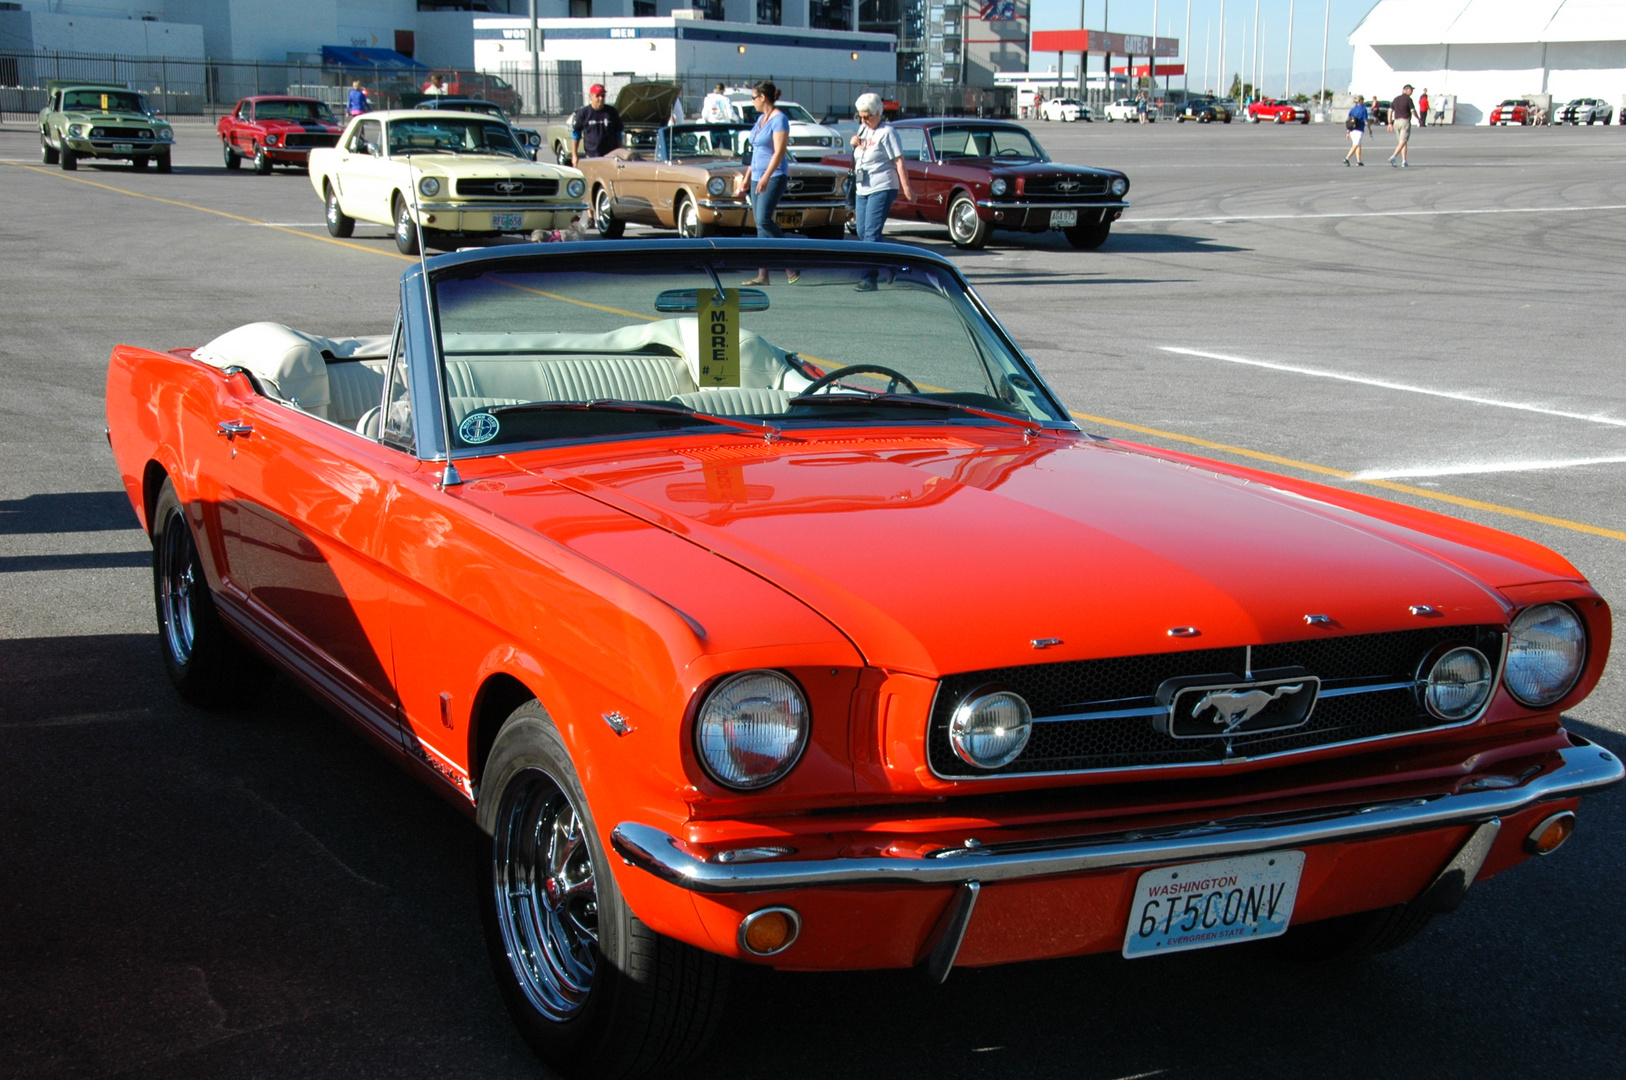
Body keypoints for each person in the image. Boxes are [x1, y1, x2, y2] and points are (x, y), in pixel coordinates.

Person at [848, 92, 914, 291]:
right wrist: (854, 144)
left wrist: (906, 188)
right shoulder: (863, 129)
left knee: (871, 234)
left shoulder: (888, 132)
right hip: (862, 186)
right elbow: (860, 154)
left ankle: (869, 278)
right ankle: (894, 264)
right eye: (860, 116)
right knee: (862, 231)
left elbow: (899, 161)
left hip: (882, 185)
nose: (864, 120)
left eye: (868, 116)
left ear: (878, 113)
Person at [740, 81, 797, 286]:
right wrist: (748, 177)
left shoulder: (779, 119)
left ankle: (790, 261)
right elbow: (756, 151)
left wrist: (765, 176)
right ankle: (763, 274)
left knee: (764, 219)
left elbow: (779, 151)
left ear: (763, 97)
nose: (752, 102)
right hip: (756, 175)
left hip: (773, 176)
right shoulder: (761, 120)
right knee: (759, 225)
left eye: (753, 97)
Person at [570, 83, 623, 167]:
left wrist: (620, 153)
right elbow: (576, 134)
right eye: (597, 96)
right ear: (591, 96)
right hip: (592, 157)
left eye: (603, 95)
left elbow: (618, 134)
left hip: (611, 157)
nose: (601, 98)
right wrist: (574, 155)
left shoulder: (612, 112)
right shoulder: (583, 113)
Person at [1388, 83, 1417, 167]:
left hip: (1396, 122)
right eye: (1410, 90)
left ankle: (1404, 160)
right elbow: (1413, 111)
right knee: (1403, 141)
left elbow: (1390, 111)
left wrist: (1390, 123)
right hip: (1404, 121)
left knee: (1402, 142)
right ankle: (1394, 156)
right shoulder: (1408, 99)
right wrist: (1418, 118)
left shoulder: (1395, 99)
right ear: (1405, 90)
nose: (1411, 92)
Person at [1343, 95, 1369, 165]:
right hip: (1359, 129)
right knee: (1356, 144)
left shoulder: (1352, 109)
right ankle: (1347, 158)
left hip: (1352, 129)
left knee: (1358, 145)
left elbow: (1349, 120)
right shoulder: (1363, 109)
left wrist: (1348, 132)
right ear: (1361, 101)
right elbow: (1366, 120)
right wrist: (1370, 129)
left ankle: (1359, 160)